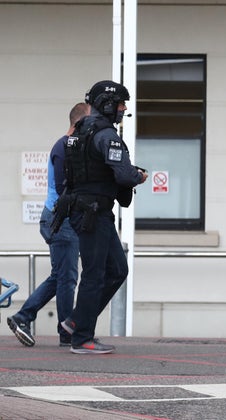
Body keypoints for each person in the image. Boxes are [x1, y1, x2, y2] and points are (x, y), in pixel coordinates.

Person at [60, 80, 148, 354]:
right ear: (107, 104)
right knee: (95, 275)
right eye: (121, 104)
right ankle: (81, 338)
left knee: (118, 269)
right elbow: (123, 175)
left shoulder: (81, 131)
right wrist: (139, 176)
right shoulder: (106, 135)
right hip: (93, 213)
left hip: (90, 210)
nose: (123, 109)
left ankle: (76, 321)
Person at [6, 103, 89, 347]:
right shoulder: (64, 147)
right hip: (60, 219)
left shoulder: (68, 146)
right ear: (79, 123)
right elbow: (66, 188)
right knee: (67, 278)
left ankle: (23, 317)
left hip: (57, 217)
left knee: (60, 276)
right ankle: (65, 331)